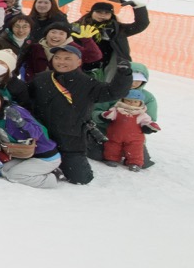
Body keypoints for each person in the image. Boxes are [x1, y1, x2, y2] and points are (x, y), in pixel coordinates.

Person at [26, 41, 134, 184]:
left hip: (71, 142)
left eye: (67, 58)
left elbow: (113, 92)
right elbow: (24, 98)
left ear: (79, 62)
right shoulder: (41, 78)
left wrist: (124, 74)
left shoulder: (87, 83)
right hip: (43, 138)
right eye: (57, 58)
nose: (61, 62)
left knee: (81, 178)